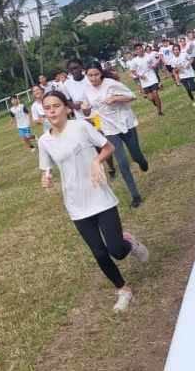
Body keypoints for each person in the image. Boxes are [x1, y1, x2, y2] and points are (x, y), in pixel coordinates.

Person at [38, 91, 148, 312]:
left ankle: (129, 243)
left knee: (116, 250)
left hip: (99, 195)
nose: (52, 111)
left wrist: (97, 161)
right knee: (99, 252)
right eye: (47, 107)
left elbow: (108, 147)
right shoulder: (44, 141)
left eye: (56, 106)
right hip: (75, 203)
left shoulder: (81, 127)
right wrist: (46, 176)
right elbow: (46, 167)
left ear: (66, 108)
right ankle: (123, 290)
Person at [82, 62, 148, 208]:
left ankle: (141, 160)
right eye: (90, 75)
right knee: (122, 162)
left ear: (101, 73)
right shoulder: (86, 90)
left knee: (136, 155)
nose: (93, 78)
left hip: (126, 123)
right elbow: (88, 111)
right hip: (109, 129)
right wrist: (85, 109)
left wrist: (116, 98)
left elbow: (132, 96)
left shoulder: (111, 84)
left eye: (96, 74)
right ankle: (135, 195)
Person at [64, 59, 117, 180]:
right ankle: (99, 166)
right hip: (81, 119)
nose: (75, 71)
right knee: (90, 145)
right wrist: (74, 106)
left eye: (76, 67)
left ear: (81, 67)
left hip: (95, 116)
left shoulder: (90, 78)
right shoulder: (67, 84)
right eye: (72, 69)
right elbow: (67, 100)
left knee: (101, 141)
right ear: (69, 71)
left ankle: (111, 168)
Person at [128, 43, 163, 116]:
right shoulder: (134, 61)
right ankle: (156, 103)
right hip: (144, 81)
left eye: (140, 48)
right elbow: (132, 71)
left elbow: (155, 63)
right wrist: (140, 76)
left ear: (142, 48)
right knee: (151, 98)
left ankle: (159, 111)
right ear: (135, 51)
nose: (139, 50)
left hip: (152, 77)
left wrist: (154, 65)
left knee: (155, 94)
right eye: (137, 49)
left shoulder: (149, 56)